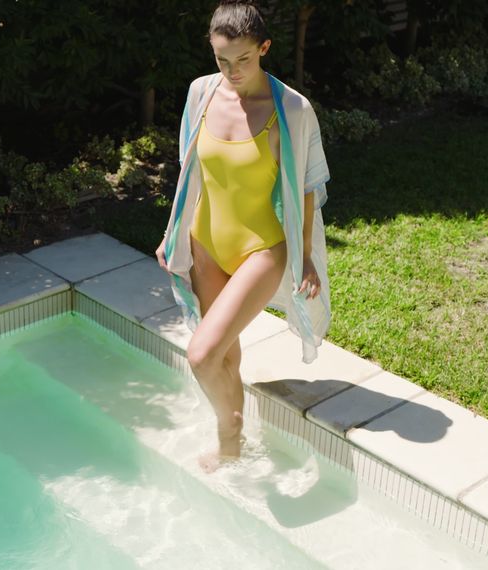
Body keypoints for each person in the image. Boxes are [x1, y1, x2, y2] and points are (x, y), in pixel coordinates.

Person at [155, 0, 332, 473]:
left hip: (262, 248)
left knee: (200, 354)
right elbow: (189, 170)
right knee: (223, 357)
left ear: (265, 48)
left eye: (243, 60)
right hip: (206, 243)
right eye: (222, 60)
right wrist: (174, 232)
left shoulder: (291, 110)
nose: (232, 71)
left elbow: (309, 183)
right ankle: (230, 443)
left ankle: (229, 429)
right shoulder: (201, 94)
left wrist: (308, 254)